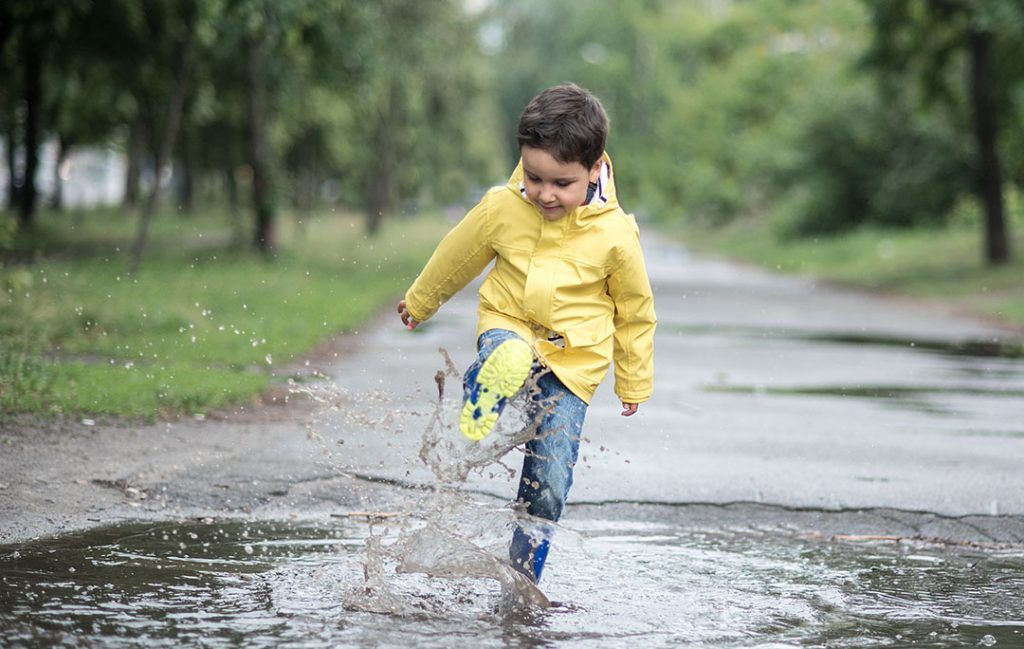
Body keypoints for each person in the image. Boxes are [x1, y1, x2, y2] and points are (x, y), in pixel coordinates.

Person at [397, 82, 656, 585]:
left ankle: (523, 578)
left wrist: (633, 379)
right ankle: (484, 391)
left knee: (550, 480)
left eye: (561, 183)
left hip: (573, 365)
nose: (544, 194)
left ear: (595, 168)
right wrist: (421, 301)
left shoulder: (615, 234)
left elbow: (634, 311)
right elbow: (457, 255)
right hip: (508, 323)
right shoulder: (503, 206)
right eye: (534, 177)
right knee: (510, 353)